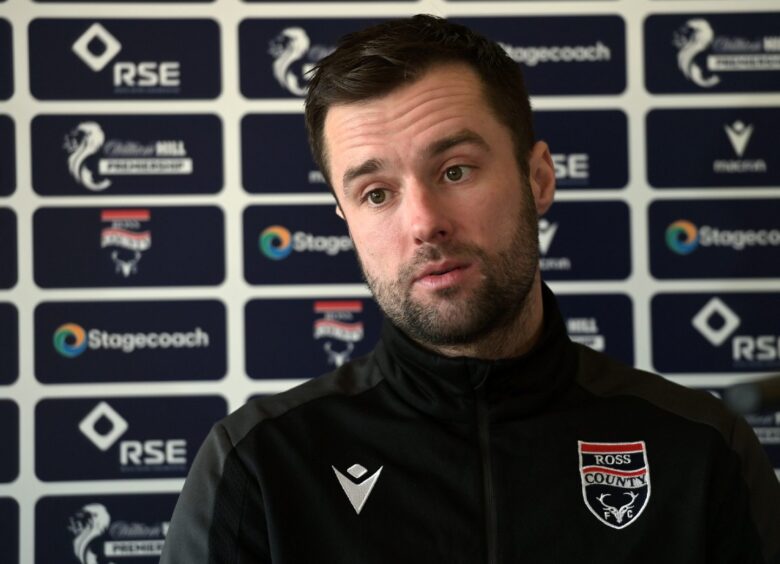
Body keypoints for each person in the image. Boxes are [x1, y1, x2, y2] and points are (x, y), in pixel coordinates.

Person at [161, 15, 780, 563]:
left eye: (455, 170)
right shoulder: (260, 465)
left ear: (537, 179)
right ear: (346, 220)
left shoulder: (701, 450)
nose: (424, 221)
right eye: (376, 193)